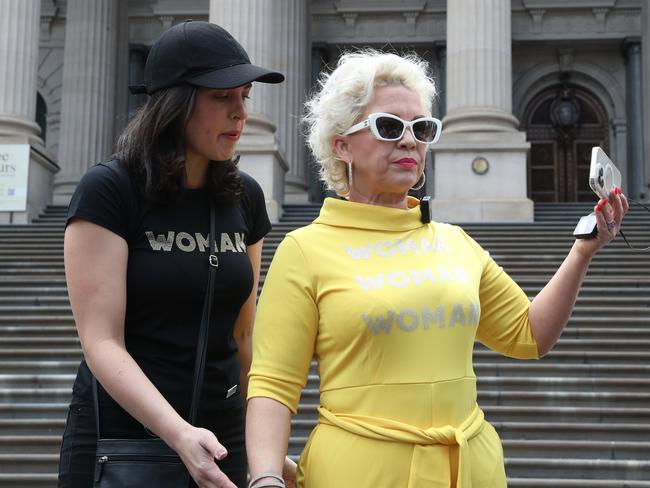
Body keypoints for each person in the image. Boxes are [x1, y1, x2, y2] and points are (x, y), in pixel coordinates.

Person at [244, 50, 629, 488]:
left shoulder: (454, 242)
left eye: (421, 128)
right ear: (342, 144)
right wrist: (266, 478)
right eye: (388, 127)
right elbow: (273, 386)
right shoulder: (304, 249)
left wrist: (583, 251)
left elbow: (530, 335)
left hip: (469, 471)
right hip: (360, 474)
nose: (409, 141)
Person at [58, 21, 285, 488]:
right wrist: (178, 433)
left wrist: (265, 447)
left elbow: (245, 336)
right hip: (123, 440)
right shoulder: (110, 189)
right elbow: (101, 341)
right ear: (174, 104)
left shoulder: (245, 197)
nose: (240, 113)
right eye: (223, 97)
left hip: (221, 437)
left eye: (245, 96)